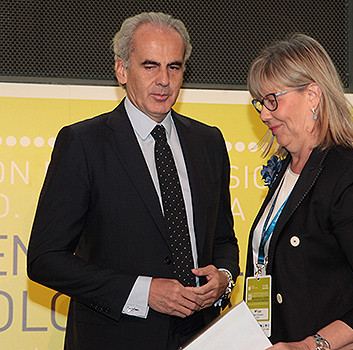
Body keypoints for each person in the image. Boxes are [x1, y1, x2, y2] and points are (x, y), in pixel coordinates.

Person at [26, 12, 239, 350]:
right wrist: (144, 292)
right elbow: (45, 259)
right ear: (122, 70)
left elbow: (224, 240)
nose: (164, 80)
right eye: (150, 66)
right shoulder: (83, 143)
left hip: (203, 337)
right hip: (115, 338)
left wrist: (224, 279)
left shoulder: (208, 142)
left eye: (174, 66)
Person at [244, 33, 353, 350]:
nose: (264, 114)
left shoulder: (348, 175)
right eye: (260, 103)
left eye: (272, 100)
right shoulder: (286, 171)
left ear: (313, 96)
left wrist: (311, 346)